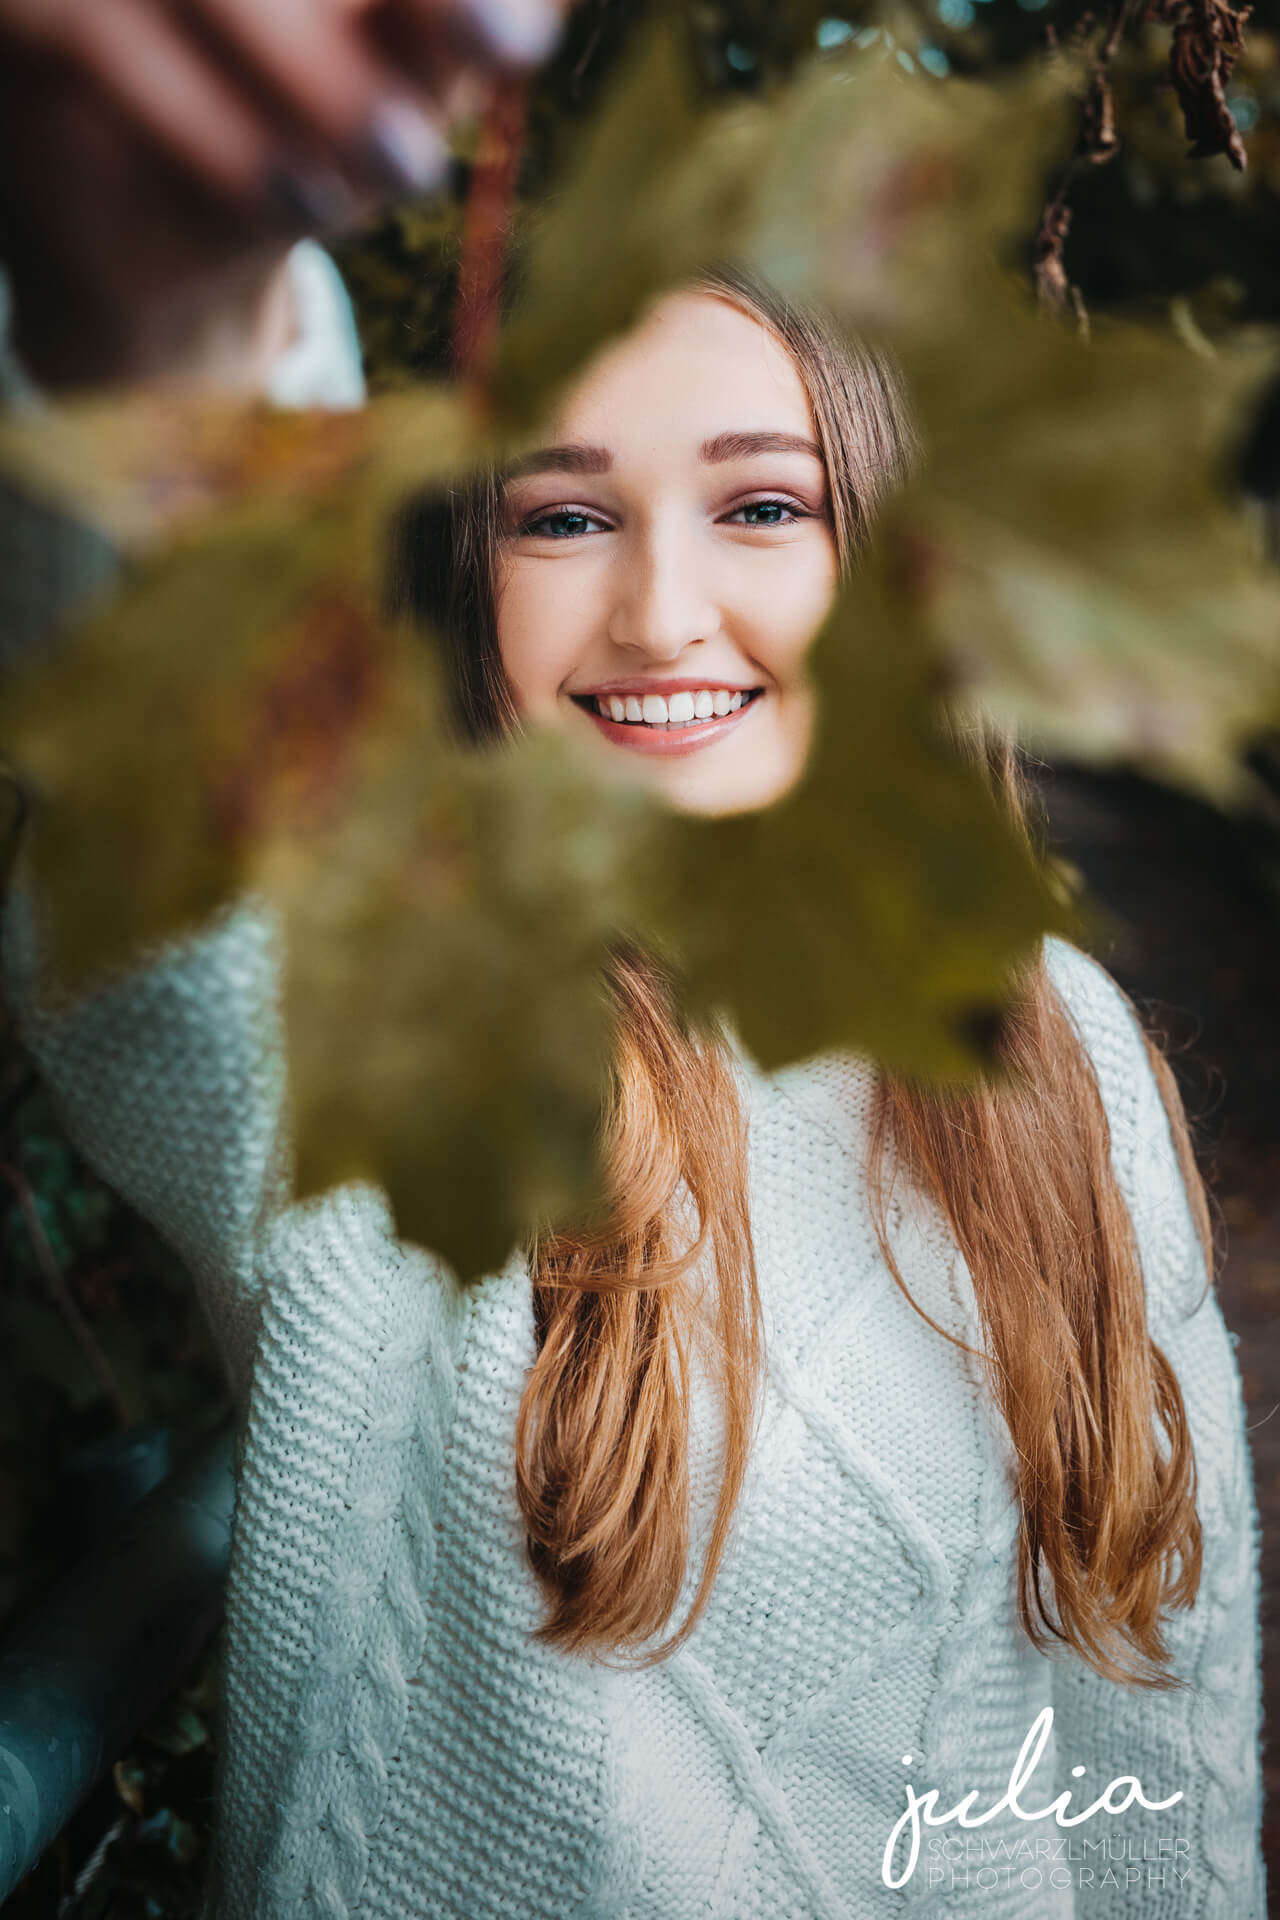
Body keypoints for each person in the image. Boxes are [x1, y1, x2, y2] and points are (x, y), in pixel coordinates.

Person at [0, 9, 1265, 1918]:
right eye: (566, 514)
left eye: (763, 505)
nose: (662, 608)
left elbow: (1157, 1737)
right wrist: (157, 291)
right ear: (474, 589)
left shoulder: (1057, 1049)